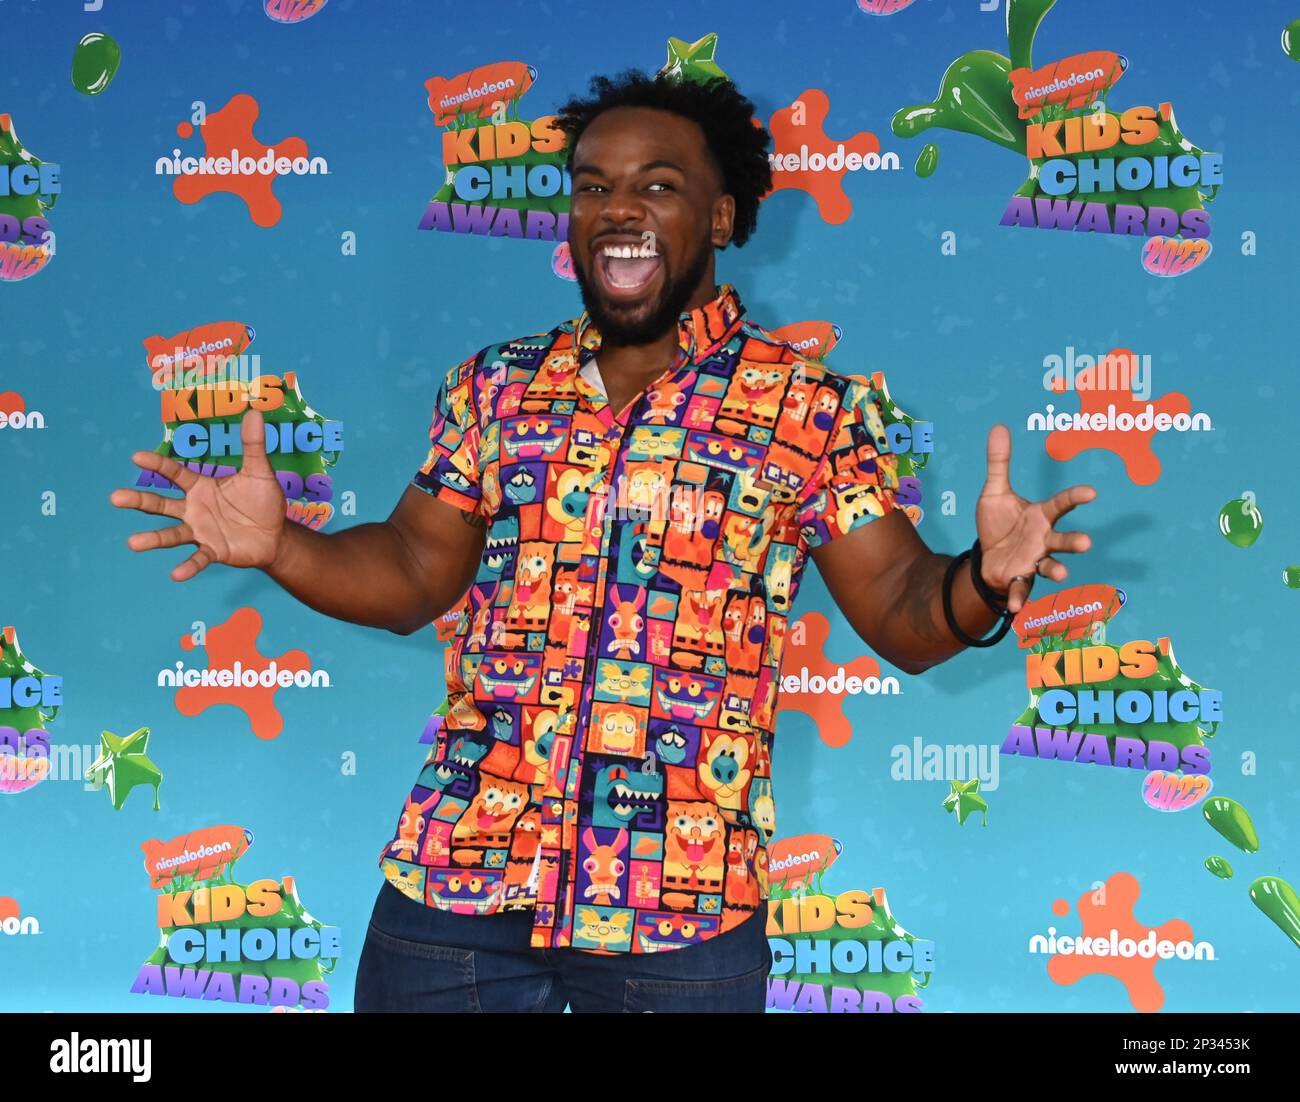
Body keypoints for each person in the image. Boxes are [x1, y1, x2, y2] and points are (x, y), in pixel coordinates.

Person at [109, 69, 1095, 1013]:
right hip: (457, 891)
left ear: (721, 217)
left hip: (683, 915)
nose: (618, 209)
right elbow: (412, 570)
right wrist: (284, 546)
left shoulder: (806, 407)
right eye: (593, 188)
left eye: (657, 186)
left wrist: (979, 576)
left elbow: (900, 611)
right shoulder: (495, 386)